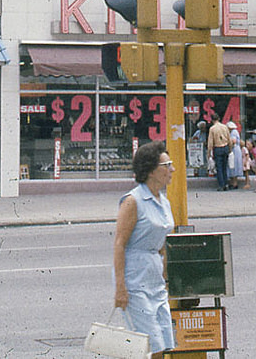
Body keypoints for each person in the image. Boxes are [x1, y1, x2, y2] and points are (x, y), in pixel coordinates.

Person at [113, 141, 176, 358]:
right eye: (166, 165)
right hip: (135, 281)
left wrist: (165, 278)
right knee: (152, 345)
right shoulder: (133, 201)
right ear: (150, 170)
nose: (172, 170)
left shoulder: (164, 201)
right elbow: (120, 244)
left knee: (165, 340)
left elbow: (162, 244)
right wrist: (121, 287)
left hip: (155, 280)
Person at [207, 118, 231, 191]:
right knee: (224, 167)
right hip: (225, 147)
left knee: (219, 168)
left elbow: (210, 142)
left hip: (217, 148)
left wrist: (209, 152)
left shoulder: (212, 129)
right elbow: (229, 139)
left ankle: (221, 185)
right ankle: (226, 184)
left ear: (212, 120)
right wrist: (230, 149)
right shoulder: (225, 127)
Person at [227, 121, 245, 189]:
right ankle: (232, 182)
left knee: (233, 166)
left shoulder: (233, 132)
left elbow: (233, 141)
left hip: (234, 150)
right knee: (233, 166)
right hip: (235, 150)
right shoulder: (235, 132)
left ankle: (234, 183)